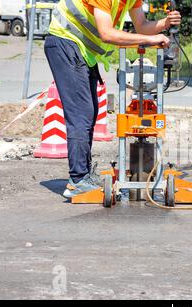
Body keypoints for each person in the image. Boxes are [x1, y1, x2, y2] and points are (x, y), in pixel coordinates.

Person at [44, 0, 181, 198]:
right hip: (65, 42)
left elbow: (142, 26)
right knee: (81, 115)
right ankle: (78, 180)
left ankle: (83, 176)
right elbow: (107, 34)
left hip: (81, 50)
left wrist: (164, 23)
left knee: (88, 114)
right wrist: (148, 40)